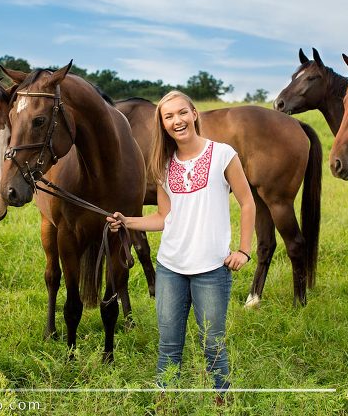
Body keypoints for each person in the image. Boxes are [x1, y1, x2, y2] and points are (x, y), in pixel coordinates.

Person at [107, 90, 255, 401]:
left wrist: (243, 250)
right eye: (168, 116)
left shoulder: (223, 154)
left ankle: (222, 402)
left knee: (213, 344)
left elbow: (247, 202)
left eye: (182, 113)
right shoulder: (163, 166)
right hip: (170, 269)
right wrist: (127, 221)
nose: (177, 121)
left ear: (195, 114)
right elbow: (164, 217)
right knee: (168, 346)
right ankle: (165, 404)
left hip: (212, 269)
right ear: (162, 124)